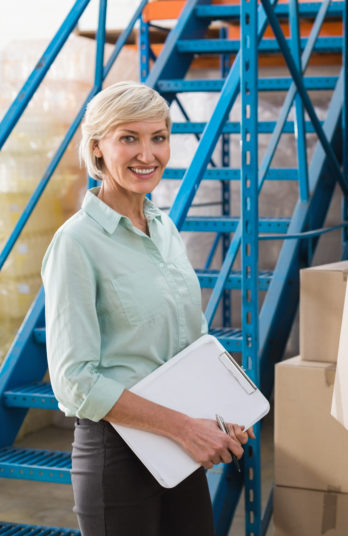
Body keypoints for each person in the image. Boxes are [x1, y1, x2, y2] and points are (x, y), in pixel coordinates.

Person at [42, 81, 251, 536]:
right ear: (97, 148)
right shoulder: (75, 244)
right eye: (128, 138)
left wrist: (221, 413)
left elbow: (188, 343)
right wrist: (182, 428)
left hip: (178, 443)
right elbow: (75, 380)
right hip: (116, 454)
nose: (147, 154)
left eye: (158, 137)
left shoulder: (164, 227)